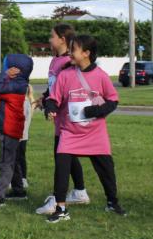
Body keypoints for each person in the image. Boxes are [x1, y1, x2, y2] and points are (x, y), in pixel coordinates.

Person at [43, 35, 125, 222]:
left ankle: (112, 202)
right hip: (69, 133)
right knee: (61, 168)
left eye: (74, 50)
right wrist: (50, 108)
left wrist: (94, 110)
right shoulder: (65, 75)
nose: (70, 53)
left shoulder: (101, 76)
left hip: (96, 134)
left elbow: (113, 101)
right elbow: (54, 98)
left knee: (106, 169)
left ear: (86, 53)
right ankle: (61, 209)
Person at [36, 23, 90, 215]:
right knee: (68, 154)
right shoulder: (55, 61)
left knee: (61, 157)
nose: (50, 39)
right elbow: (54, 86)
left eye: (52, 36)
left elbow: (68, 89)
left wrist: (53, 105)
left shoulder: (68, 62)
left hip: (67, 118)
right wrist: (44, 98)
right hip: (58, 117)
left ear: (62, 39)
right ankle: (80, 192)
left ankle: (57, 200)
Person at [0, 54, 34, 210]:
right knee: (13, 159)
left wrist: (4, 74)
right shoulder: (20, 84)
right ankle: (19, 190)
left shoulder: (13, 87)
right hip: (13, 127)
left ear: (15, 70)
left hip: (8, 128)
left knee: (5, 162)